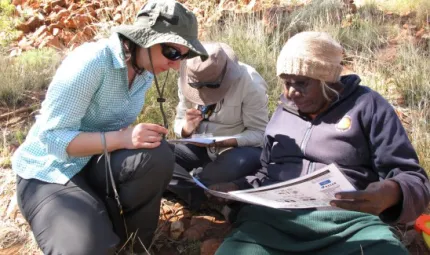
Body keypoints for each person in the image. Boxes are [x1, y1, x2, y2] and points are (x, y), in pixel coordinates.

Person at [11, 0, 208, 254]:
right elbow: (53, 138)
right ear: (145, 39)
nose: (176, 63)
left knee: (158, 154)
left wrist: (127, 138)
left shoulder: (144, 71)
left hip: (95, 163)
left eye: (184, 55)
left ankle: (133, 245)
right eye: (172, 52)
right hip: (50, 171)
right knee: (84, 248)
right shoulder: (92, 62)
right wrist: (123, 139)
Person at [212, 31, 430, 254]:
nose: (291, 93)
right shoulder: (282, 112)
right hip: (272, 224)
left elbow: (413, 177)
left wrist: (391, 192)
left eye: (301, 83)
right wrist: (238, 187)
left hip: (350, 225)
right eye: (286, 83)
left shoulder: (368, 106)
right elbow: (266, 173)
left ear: (327, 78)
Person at [168, 42, 269, 209]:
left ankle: (181, 186)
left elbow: (259, 133)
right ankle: (203, 193)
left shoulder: (250, 83)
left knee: (235, 164)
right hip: (197, 148)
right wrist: (186, 129)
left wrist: (226, 142)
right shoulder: (189, 76)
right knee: (157, 153)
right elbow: (179, 121)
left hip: (236, 151)